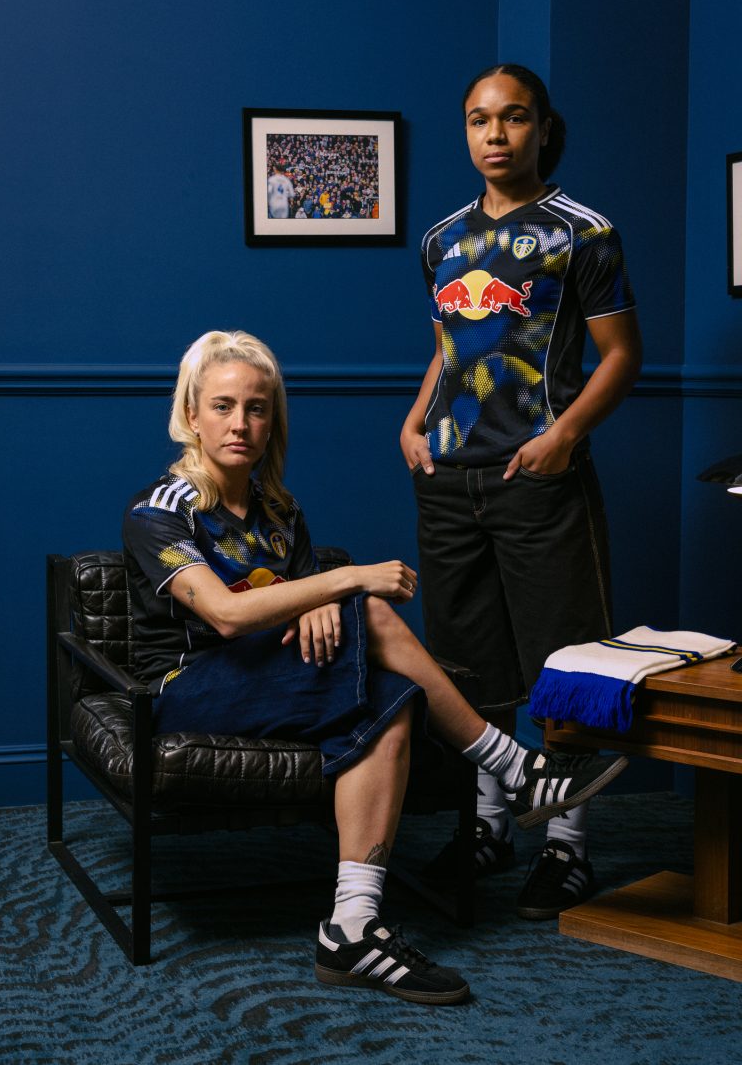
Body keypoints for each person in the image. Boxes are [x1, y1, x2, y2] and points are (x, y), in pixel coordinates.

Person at [123, 329, 627, 1005]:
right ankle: (514, 766)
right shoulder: (159, 510)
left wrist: (319, 601)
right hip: (188, 688)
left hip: (274, 678)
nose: (240, 423)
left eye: (256, 408)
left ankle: (352, 926)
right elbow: (228, 615)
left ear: (273, 421)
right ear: (191, 414)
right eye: (222, 406)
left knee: (392, 702)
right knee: (378, 615)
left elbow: (304, 613)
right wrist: (347, 580)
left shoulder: (280, 512)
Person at [400, 64, 642, 920]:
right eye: (478, 119)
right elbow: (450, 347)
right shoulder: (440, 240)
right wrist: (413, 422)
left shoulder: (584, 232)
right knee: (469, 665)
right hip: (448, 481)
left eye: (512, 118)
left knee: (562, 664)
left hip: (537, 480)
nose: (494, 134)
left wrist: (563, 438)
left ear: (542, 127)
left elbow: (622, 355)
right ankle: (489, 827)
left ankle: (566, 845)